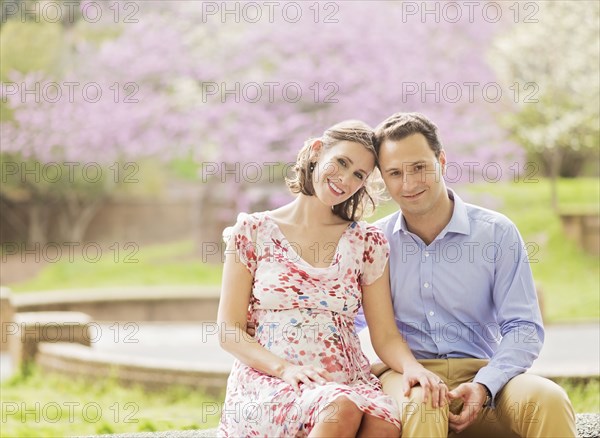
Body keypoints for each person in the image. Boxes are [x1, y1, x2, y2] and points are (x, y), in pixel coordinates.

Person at [217, 120, 445, 437]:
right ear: (316, 152)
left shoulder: (367, 242)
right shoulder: (252, 231)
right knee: (340, 407)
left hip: (350, 381)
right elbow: (229, 331)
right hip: (272, 382)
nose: (345, 180)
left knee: (384, 422)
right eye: (341, 162)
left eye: (359, 175)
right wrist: (286, 369)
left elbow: (385, 336)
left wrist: (412, 367)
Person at [356, 112, 576, 437]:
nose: (409, 183)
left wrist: (486, 386)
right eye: (395, 173)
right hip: (407, 377)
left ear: (441, 161)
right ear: (383, 180)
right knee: (422, 402)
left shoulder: (496, 233)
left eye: (419, 167)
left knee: (549, 400)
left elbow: (524, 327)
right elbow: (344, 319)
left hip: (484, 374)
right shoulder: (373, 242)